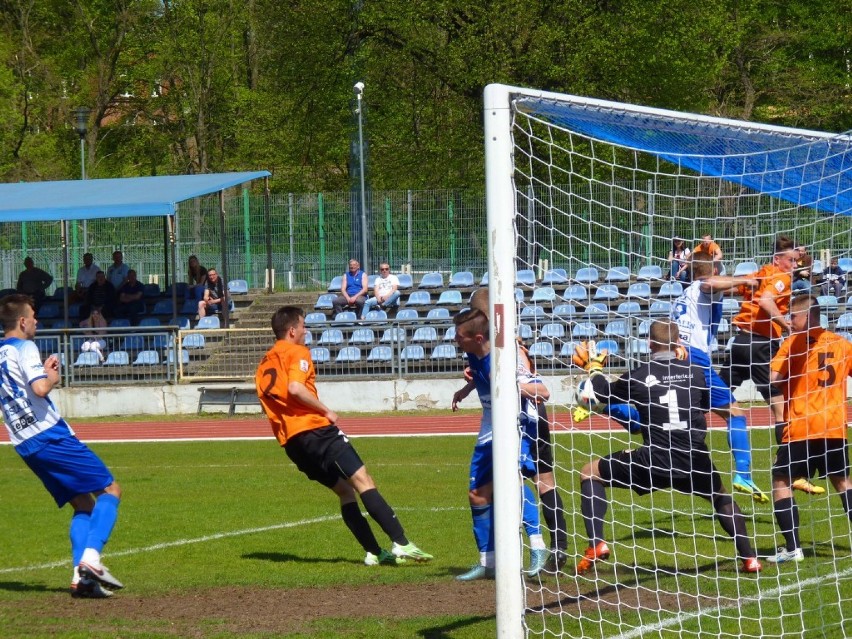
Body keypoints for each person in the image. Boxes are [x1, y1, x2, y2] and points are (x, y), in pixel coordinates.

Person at [570, 321, 762, 575]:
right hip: (693, 457)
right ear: (679, 344)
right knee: (721, 498)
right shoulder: (696, 372)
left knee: (589, 472)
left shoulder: (639, 375)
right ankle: (750, 559)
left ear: (649, 344)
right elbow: (703, 404)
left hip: (655, 459)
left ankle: (597, 543)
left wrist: (593, 368)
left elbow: (602, 393)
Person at [255, 305, 433, 566]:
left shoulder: (263, 363)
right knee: (363, 480)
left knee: (345, 492)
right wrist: (326, 410)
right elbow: (295, 388)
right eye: (303, 326)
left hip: (292, 442)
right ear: (292, 330)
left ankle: (374, 551)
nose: (306, 331)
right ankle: (402, 544)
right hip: (316, 430)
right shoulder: (297, 352)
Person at [0, 294, 124, 597]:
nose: (37, 321)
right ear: (22, 321)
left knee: (82, 503)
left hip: (24, 442)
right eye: (33, 315)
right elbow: (39, 387)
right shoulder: (25, 346)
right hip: (49, 435)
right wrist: (51, 376)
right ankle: (91, 560)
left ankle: (81, 581)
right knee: (111, 490)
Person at [469, 287, 568, 571]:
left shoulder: (511, 348)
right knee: (532, 481)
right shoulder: (492, 346)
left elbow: (538, 389)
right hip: (518, 419)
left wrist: (518, 383)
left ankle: (552, 548)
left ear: (483, 316)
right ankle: (553, 548)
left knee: (537, 481)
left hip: (528, 420)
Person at [450, 309, 548, 580]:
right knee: (477, 495)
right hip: (489, 426)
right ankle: (488, 562)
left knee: (511, 482)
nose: (455, 340)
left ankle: (538, 546)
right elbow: (481, 377)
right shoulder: (473, 353)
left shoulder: (507, 359)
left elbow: (543, 392)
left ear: (477, 337)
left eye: (459, 336)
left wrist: (512, 385)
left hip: (515, 426)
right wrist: (466, 389)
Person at [672, 252, 768, 503]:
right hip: (695, 358)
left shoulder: (686, 292)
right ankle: (743, 474)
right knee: (735, 413)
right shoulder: (705, 287)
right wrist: (746, 279)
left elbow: (716, 287)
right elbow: (710, 284)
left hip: (677, 355)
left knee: (669, 412)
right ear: (714, 269)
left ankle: (607, 404)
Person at [766, 294, 852, 562]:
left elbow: (773, 378)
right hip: (833, 425)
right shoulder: (842, 344)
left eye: (793, 316)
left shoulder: (793, 344)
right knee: (843, 482)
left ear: (808, 316)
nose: (790, 321)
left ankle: (793, 549)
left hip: (802, 426)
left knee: (780, 481)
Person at [720, 235, 802, 457]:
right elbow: (766, 301)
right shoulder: (781, 277)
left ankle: (679, 435)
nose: (794, 266)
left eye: (796, 261)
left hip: (739, 342)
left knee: (714, 396)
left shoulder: (760, 273)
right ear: (778, 259)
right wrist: (785, 324)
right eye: (791, 261)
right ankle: (786, 459)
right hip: (761, 345)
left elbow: (734, 287)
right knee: (780, 407)